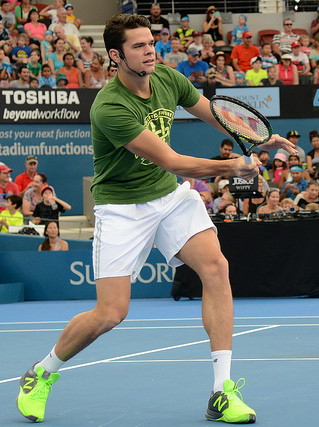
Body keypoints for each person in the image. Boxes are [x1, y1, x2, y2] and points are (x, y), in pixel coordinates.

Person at [15, 14, 295, 424]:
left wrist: (257, 136)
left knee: (216, 268)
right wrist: (231, 166)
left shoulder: (166, 77)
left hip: (168, 197)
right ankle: (41, 373)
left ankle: (221, 392)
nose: (150, 51)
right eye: (139, 46)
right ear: (116, 55)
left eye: (151, 43)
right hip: (122, 207)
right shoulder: (109, 106)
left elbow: (211, 112)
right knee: (111, 313)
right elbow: (173, 161)